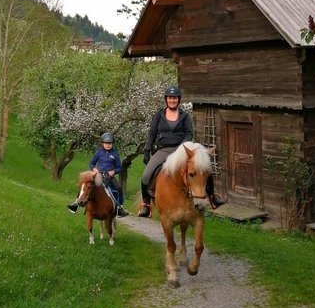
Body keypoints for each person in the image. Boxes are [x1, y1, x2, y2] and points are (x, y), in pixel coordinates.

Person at [137, 85, 225, 219]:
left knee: (204, 167)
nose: (172, 100)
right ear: (166, 99)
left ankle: (212, 197)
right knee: (146, 176)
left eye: (175, 98)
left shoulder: (185, 116)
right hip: (163, 149)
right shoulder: (159, 115)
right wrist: (147, 150)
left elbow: (189, 133)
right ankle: (146, 205)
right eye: (170, 98)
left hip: (181, 150)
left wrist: (182, 147)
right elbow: (152, 133)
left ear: (178, 100)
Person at [68, 132, 130, 218]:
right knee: (85, 184)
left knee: (118, 187)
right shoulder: (98, 152)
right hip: (98, 175)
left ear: (112, 144)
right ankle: (76, 203)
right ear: (102, 143)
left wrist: (113, 172)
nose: (108, 145)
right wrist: (94, 169)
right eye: (106, 143)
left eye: (109, 143)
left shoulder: (115, 154)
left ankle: (120, 208)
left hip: (109, 176)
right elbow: (92, 164)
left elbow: (119, 168)